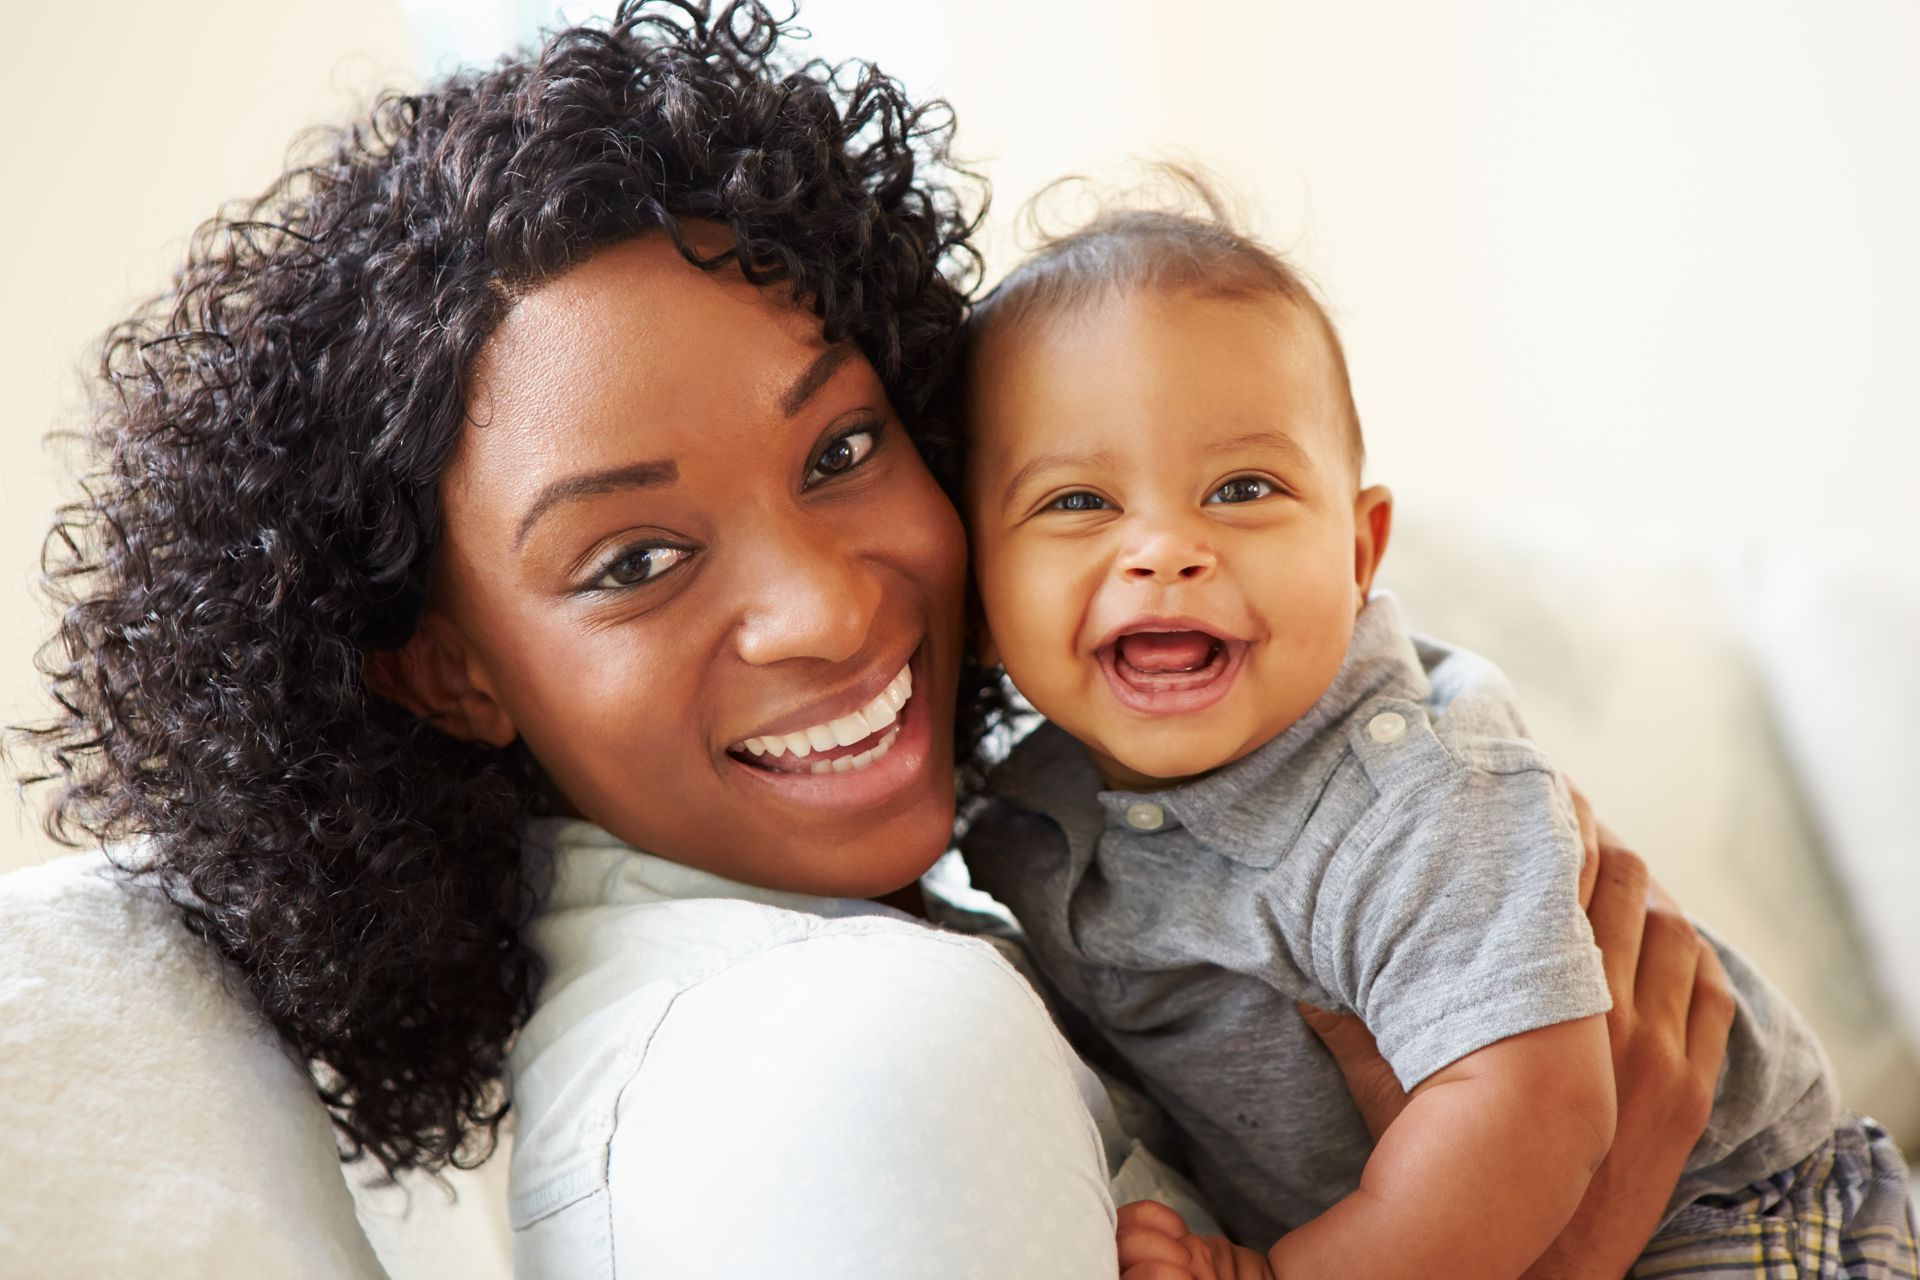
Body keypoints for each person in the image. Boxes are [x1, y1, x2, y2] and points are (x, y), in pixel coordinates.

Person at [11, 3, 1737, 1275]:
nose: (835, 605)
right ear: (447, 668)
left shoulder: (1010, 868)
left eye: (844, 451)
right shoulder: (851, 1065)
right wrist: (1579, 1237)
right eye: (635, 558)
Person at [956, 192, 1920, 1278]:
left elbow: (1530, 1112)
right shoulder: (1025, 818)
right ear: (981, 598)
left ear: (1361, 552)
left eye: (1242, 487)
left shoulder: (1412, 791)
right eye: (1079, 500)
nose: (1166, 547)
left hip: (1737, 1211)